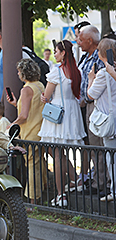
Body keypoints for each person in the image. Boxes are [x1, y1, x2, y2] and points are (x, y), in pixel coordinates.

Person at [39, 40, 86, 207]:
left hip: (58, 115)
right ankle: (76, 180)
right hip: (72, 114)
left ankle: (61, 195)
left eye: (56, 51)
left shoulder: (55, 72)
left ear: (63, 53)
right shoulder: (76, 71)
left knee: (57, 154)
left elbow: (47, 96)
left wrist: (43, 97)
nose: (54, 54)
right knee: (63, 152)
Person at [6, 58, 46, 202]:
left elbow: (24, 116)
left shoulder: (26, 89)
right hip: (40, 130)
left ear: (24, 73)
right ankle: (42, 192)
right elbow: (34, 107)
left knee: (31, 166)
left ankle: (33, 199)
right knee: (39, 163)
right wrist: (16, 103)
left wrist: (11, 124)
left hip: (29, 132)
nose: (17, 74)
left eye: (18, 71)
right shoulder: (39, 85)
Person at [78, 25, 107, 194]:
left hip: (95, 104)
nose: (78, 42)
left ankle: (102, 184)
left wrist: (87, 96)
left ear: (90, 41)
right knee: (95, 145)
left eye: (81, 39)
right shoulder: (85, 57)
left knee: (99, 145)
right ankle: (98, 181)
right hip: (88, 104)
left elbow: (98, 86)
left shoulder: (98, 57)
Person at [87, 39, 116, 201]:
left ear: (101, 53)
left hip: (109, 120)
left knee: (111, 157)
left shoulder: (104, 73)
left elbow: (90, 95)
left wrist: (91, 78)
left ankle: (114, 191)